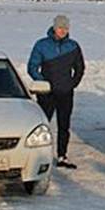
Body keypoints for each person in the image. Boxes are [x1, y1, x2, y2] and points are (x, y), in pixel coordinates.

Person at [28, 15, 85, 169]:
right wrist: (43, 83)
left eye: (65, 29)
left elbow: (80, 68)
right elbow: (32, 67)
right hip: (46, 93)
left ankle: (62, 156)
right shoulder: (42, 45)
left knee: (64, 125)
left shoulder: (73, 46)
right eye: (60, 28)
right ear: (54, 28)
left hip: (65, 93)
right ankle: (40, 154)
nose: (62, 31)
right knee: (43, 125)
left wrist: (72, 84)